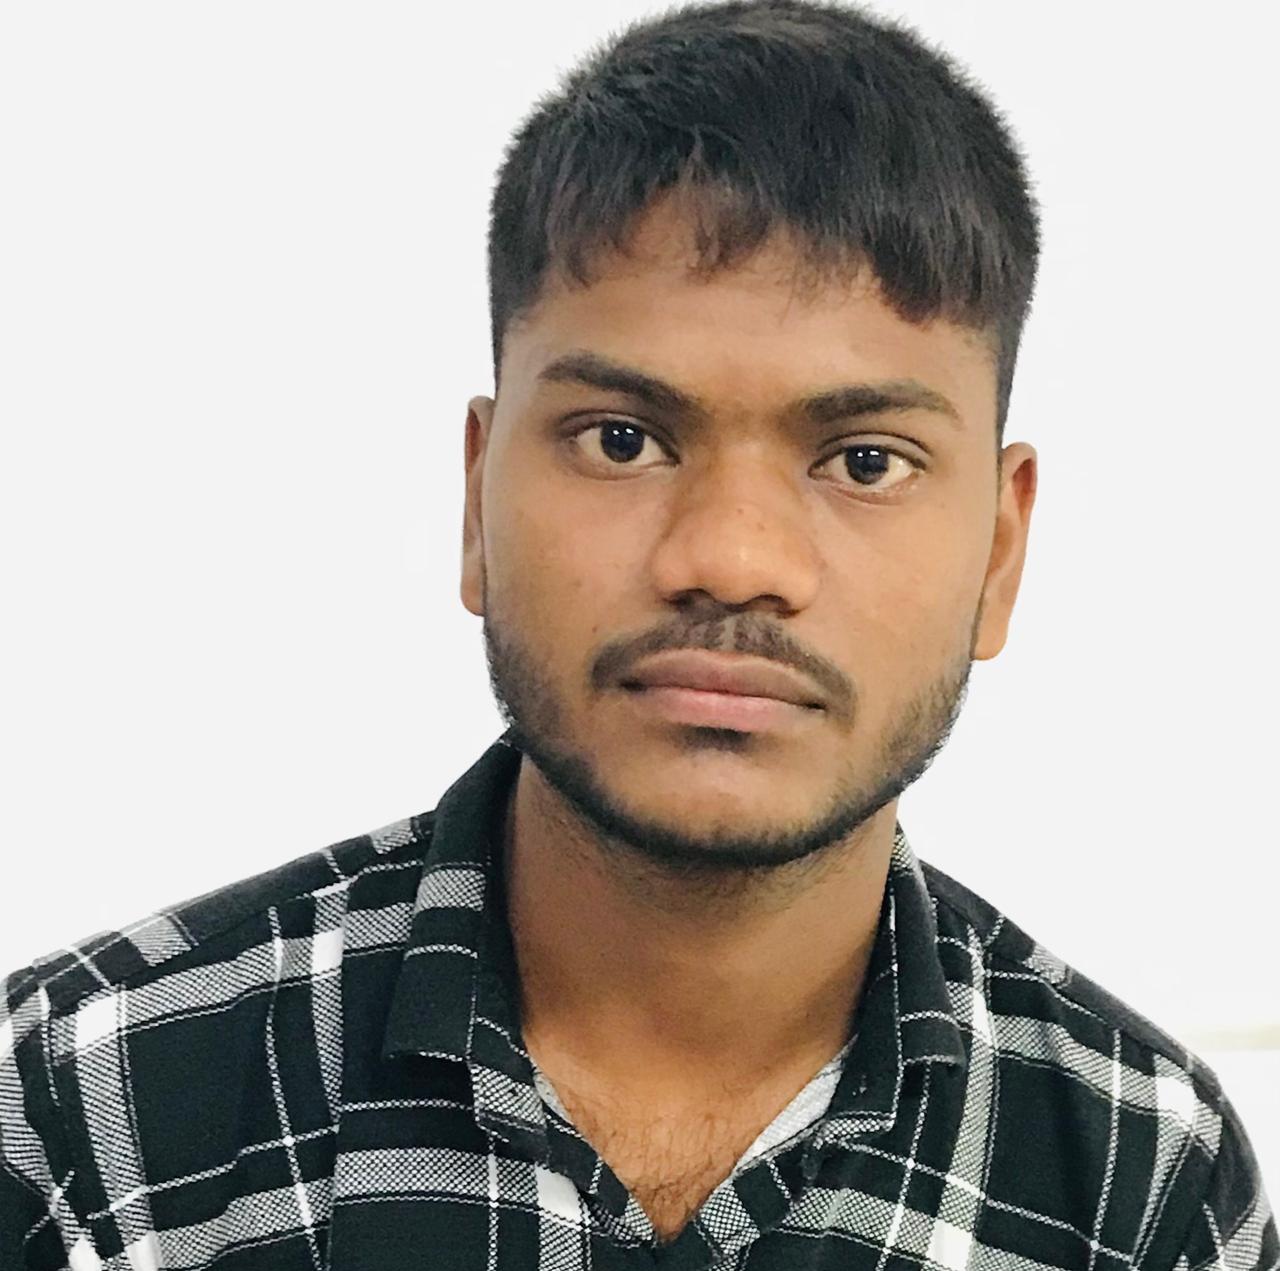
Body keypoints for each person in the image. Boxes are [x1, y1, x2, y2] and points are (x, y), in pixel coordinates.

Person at [3, 0, 1275, 1266]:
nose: (730, 557)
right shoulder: (82, 1122)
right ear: (476, 500)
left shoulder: (1143, 1187)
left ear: (997, 549)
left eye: (864, 458)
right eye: (622, 440)